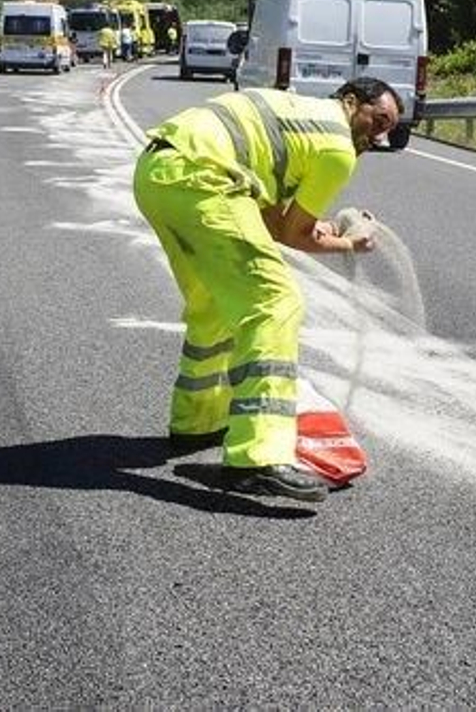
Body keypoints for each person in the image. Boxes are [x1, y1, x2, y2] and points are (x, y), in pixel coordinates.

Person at [132, 78, 402, 503]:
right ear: (351, 102)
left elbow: (277, 222)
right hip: (206, 181)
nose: (381, 135)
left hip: (157, 174)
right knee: (275, 301)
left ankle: (196, 424)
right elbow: (293, 234)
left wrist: (324, 228)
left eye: (390, 129)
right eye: (379, 119)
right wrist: (353, 242)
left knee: (214, 304)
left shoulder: (298, 112)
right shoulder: (337, 147)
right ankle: (257, 458)